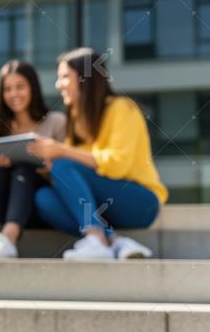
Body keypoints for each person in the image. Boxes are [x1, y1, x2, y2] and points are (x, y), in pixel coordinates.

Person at [29, 48, 168, 260]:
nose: (59, 85)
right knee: (43, 198)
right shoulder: (76, 119)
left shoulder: (122, 108)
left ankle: (95, 237)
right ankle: (113, 241)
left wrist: (61, 151)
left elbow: (117, 164)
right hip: (104, 205)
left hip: (140, 201)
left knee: (63, 163)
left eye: (65, 77)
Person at [0, 60, 66, 259]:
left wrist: (49, 167)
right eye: (7, 89)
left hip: (41, 206)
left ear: (32, 88)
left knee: (24, 169)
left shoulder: (56, 122)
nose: (13, 94)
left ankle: (9, 238)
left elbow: (68, 170)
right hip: (7, 206)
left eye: (20, 87)